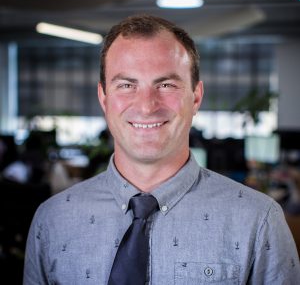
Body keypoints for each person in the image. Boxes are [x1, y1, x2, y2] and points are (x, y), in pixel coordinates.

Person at [23, 15, 300, 284]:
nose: (146, 106)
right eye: (127, 85)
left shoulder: (258, 220)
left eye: (166, 84)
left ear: (196, 97)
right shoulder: (52, 220)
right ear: (103, 98)